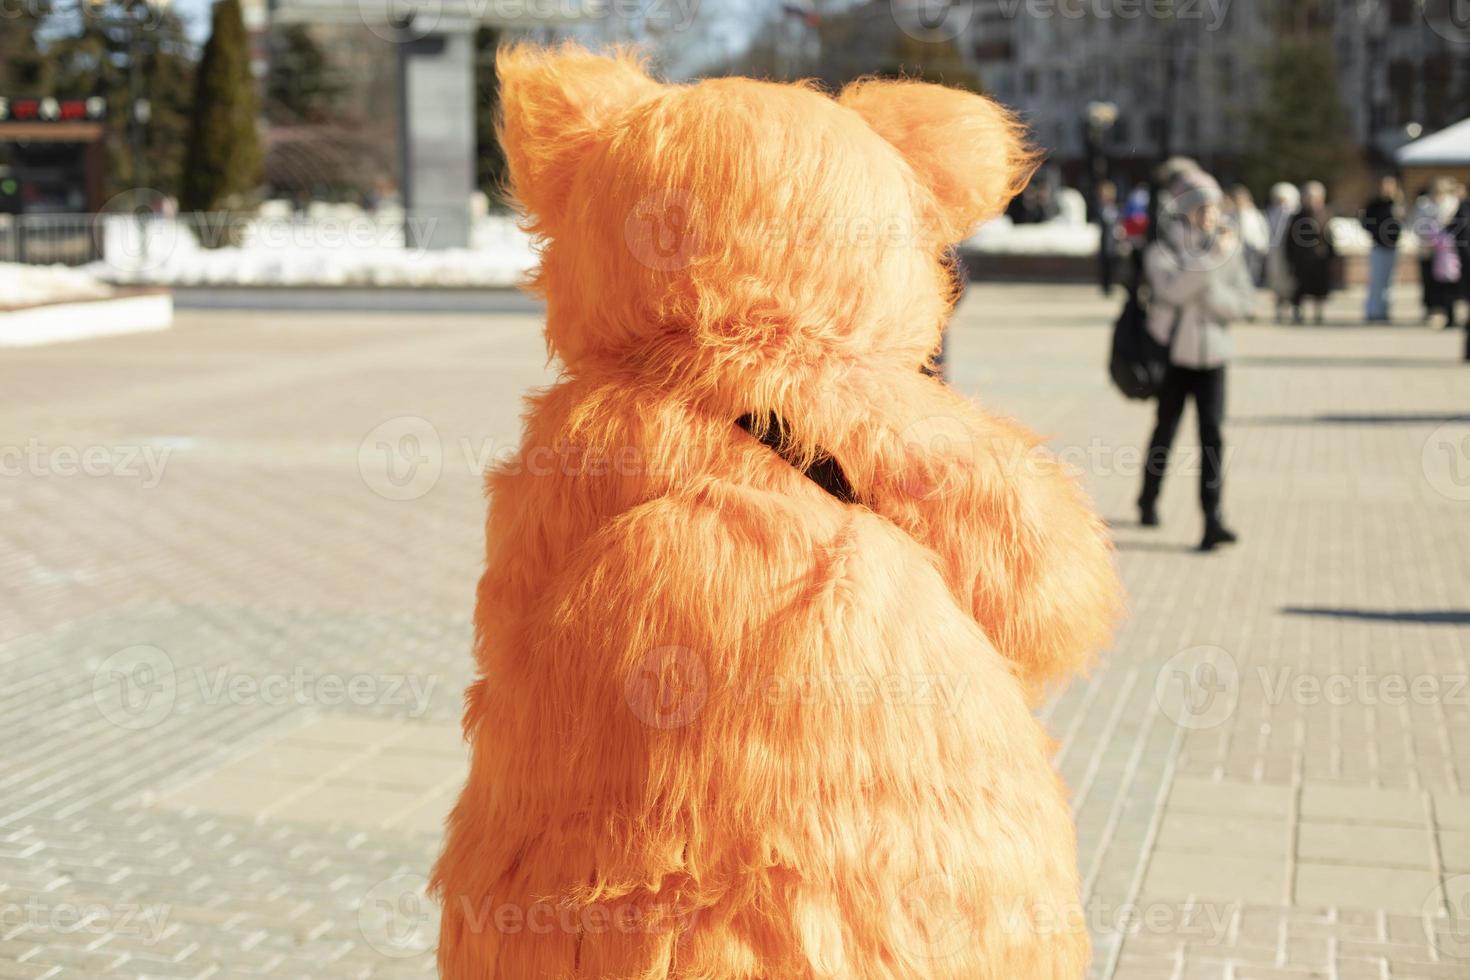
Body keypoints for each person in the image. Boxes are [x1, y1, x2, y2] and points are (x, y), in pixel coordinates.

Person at [1137, 166, 1255, 552]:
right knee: (1166, 431)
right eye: (1200, 206)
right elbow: (1170, 291)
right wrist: (1207, 265)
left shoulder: (1228, 248)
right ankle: (1148, 498)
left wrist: (1208, 294)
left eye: (1213, 206)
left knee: (1213, 438)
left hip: (1214, 356)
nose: (1209, 214)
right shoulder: (1163, 247)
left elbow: (1244, 303)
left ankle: (1213, 518)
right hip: (1174, 355)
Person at [1412, 178, 1463, 328]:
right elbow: (1417, 225)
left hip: (1447, 253)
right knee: (1429, 282)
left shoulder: (1452, 204)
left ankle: (1448, 311)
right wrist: (1428, 239)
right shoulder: (1424, 205)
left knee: (1448, 284)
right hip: (1428, 250)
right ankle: (1431, 308)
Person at [1286, 181, 1336, 325]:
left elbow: (1330, 237)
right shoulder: (1297, 216)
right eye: (1309, 197)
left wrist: (1332, 255)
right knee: (1299, 287)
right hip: (1301, 259)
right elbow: (1289, 240)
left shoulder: (1325, 214)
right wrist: (1289, 258)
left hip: (1320, 258)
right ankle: (1298, 312)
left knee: (1319, 288)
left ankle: (1318, 313)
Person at [1361, 175, 1404, 322]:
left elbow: (1402, 223)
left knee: (1390, 281)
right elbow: (1365, 222)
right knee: (1376, 280)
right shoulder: (1374, 204)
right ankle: (1373, 312)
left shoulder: (1397, 204)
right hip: (1379, 246)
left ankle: (1386, 311)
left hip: (1393, 247)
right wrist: (1376, 233)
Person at [1264, 182, 1300, 323]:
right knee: (1276, 283)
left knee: (1291, 283)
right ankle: (1279, 309)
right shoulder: (1270, 214)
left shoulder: (1295, 215)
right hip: (1275, 256)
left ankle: (1294, 308)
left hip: (1290, 256)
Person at [1226, 184, 1269, 287]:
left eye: (1241, 198)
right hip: (1236, 253)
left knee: (1253, 276)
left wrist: (1263, 247)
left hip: (1254, 251)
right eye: (1236, 199)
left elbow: (1263, 232)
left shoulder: (1255, 215)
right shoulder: (1229, 215)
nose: (1239, 201)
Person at [1096, 180, 1121, 295]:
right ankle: (1105, 287)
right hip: (1105, 243)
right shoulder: (1101, 209)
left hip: (1113, 243)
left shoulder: (1115, 208)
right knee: (1104, 267)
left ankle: (1110, 286)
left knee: (1113, 266)